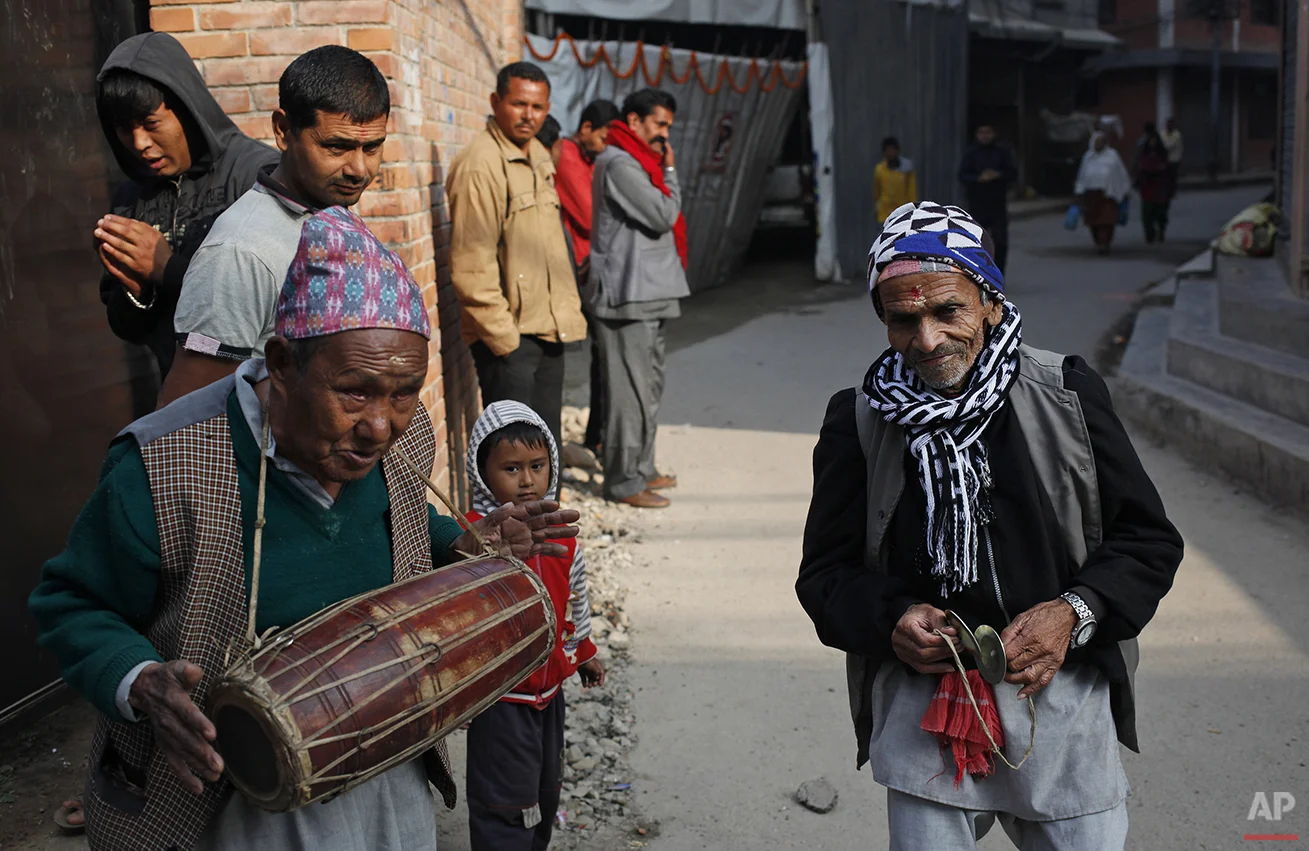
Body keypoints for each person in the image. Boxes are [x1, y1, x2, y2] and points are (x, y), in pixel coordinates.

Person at [28, 206, 581, 851]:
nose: (382, 425)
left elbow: (405, 529)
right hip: (226, 804)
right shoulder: (165, 463)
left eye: (405, 392)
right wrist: (140, 680)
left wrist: (464, 545)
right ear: (283, 362)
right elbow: (72, 603)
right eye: (356, 392)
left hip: (386, 769)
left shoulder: (402, 447)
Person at [796, 201, 1183, 851]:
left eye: (946, 311)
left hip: (1060, 702)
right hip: (927, 713)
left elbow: (1146, 540)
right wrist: (890, 619)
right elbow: (824, 576)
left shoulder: (1063, 395)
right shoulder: (858, 422)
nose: (926, 339)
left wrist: (1071, 612)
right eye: (902, 318)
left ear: (990, 304)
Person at [158, 45, 390, 407]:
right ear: (283, 130)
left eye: (372, 148)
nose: (359, 169)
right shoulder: (240, 252)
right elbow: (186, 416)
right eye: (336, 147)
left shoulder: (334, 213)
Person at [94, 33, 279, 381]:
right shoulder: (130, 198)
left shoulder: (257, 175)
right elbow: (129, 330)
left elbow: (273, 297)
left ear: (188, 109)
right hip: (182, 402)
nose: (139, 144)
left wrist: (168, 269)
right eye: (124, 130)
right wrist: (136, 287)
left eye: (150, 124)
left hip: (262, 397)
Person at [462, 401, 605, 851]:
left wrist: (582, 651)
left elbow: (573, 599)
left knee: (545, 787)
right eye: (511, 468)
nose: (527, 480)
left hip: (549, 695)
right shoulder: (471, 538)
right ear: (482, 474)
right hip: (502, 697)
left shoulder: (561, 534)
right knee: (503, 799)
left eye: (537, 466)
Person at [446, 62, 586, 449]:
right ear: (496, 101)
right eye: (519, 104)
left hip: (547, 327)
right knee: (514, 459)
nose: (529, 116)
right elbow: (471, 264)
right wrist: (505, 340)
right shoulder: (480, 164)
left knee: (545, 450)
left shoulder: (539, 154)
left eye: (538, 107)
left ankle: (550, 512)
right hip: (509, 341)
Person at [587, 88, 690, 509]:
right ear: (633, 122)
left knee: (648, 388)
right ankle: (623, 481)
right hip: (627, 295)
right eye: (659, 124)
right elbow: (663, 214)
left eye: (668, 125)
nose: (665, 134)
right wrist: (670, 173)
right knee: (628, 395)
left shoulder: (637, 162)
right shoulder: (618, 163)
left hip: (651, 293)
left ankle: (642, 469)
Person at [555, 99, 621, 457]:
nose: (607, 146)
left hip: (590, 269)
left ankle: (597, 436)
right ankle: (600, 440)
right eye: (603, 137)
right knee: (607, 356)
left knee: (604, 358)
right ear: (585, 130)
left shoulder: (587, 159)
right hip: (583, 271)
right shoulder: (567, 155)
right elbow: (591, 214)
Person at [958, 122, 1018, 274]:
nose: (985, 136)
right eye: (981, 132)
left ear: (994, 134)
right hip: (977, 203)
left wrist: (998, 175)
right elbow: (962, 175)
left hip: (997, 203)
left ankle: (998, 275)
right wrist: (979, 178)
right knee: (976, 241)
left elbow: (1012, 173)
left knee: (1000, 242)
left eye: (988, 132)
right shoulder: (971, 153)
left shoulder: (1002, 152)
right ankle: (978, 274)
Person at [1074, 132, 1132, 254]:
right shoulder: (1088, 157)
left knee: (1106, 222)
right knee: (1093, 222)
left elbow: (1120, 174)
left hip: (1107, 195)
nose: (1098, 144)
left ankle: (1105, 243)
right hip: (1091, 195)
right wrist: (1079, 191)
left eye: (1101, 142)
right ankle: (1098, 242)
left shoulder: (1112, 156)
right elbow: (1082, 175)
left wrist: (1125, 190)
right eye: (1096, 142)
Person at [1136, 131, 1172, 244]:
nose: (1153, 142)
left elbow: (1167, 169)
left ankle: (1161, 231)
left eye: (1154, 140)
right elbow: (1139, 168)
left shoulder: (1162, 153)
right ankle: (1149, 234)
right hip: (1147, 188)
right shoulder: (1144, 153)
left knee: (1161, 212)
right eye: (1151, 140)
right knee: (1147, 214)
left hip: (1160, 187)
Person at [874, 137, 917, 227]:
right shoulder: (880, 170)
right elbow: (877, 191)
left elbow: (911, 191)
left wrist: (912, 208)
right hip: (884, 214)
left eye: (892, 150)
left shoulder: (906, 170)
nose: (890, 153)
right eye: (887, 150)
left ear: (897, 151)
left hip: (902, 213)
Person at [1160, 117, 1183, 197]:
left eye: (1170, 124)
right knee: (1165, 177)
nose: (1169, 125)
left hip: (1174, 159)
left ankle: (1172, 192)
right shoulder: (1162, 134)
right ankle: (1166, 192)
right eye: (1167, 124)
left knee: (1173, 177)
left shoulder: (1177, 135)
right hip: (1165, 160)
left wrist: (1164, 147)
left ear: (1173, 125)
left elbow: (1170, 145)